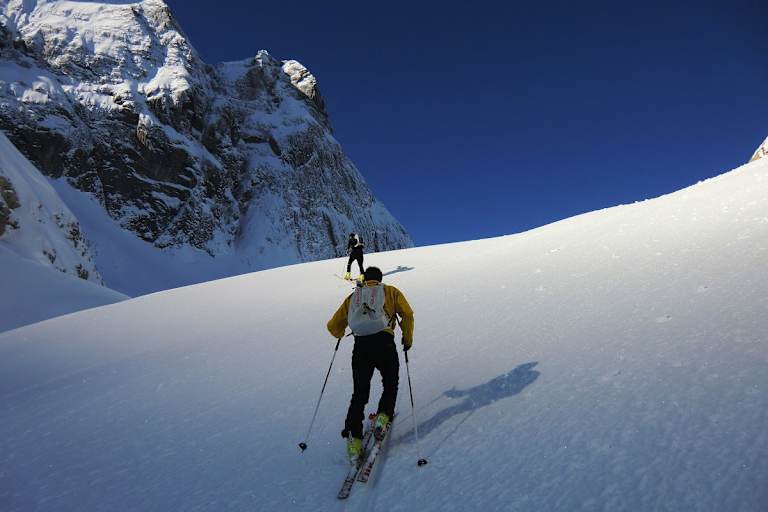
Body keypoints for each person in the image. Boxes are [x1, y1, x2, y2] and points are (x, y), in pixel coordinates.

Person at [326, 266, 414, 466]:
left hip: (361, 346)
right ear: (380, 279)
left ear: (365, 280)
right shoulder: (390, 291)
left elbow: (333, 326)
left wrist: (340, 333)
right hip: (384, 342)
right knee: (391, 383)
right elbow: (407, 314)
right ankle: (383, 418)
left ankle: (354, 441)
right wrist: (407, 339)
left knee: (360, 393)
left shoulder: (354, 298)